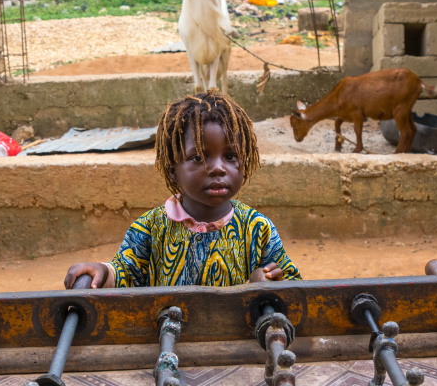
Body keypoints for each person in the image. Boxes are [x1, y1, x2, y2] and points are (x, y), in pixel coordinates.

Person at [64, 90, 301, 289]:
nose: (218, 168)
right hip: (167, 341)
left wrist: (269, 283)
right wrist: (102, 272)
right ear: (172, 169)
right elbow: (126, 272)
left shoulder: (257, 229)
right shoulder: (150, 226)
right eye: (198, 157)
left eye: (230, 156)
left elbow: (294, 284)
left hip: (238, 342)